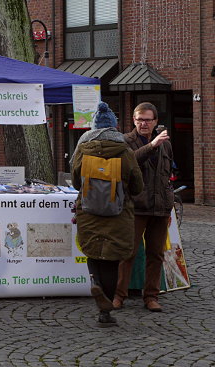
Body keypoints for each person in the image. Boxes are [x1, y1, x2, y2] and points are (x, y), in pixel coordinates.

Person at [71, 102, 144, 327]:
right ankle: (105, 313)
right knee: (112, 261)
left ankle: (95, 281)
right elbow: (137, 185)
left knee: (92, 252)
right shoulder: (125, 150)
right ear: (114, 126)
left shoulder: (82, 149)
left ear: (93, 127)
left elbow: (75, 182)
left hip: (89, 212)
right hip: (118, 213)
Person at [113, 102, 175, 312]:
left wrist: (169, 202)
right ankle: (118, 296)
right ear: (133, 121)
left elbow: (167, 174)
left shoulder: (165, 143)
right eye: (139, 120)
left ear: (155, 121)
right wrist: (151, 146)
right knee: (127, 253)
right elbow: (127, 163)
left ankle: (151, 296)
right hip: (135, 206)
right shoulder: (126, 141)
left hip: (159, 207)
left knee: (156, 254)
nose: (143, 124)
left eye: (148, 120)